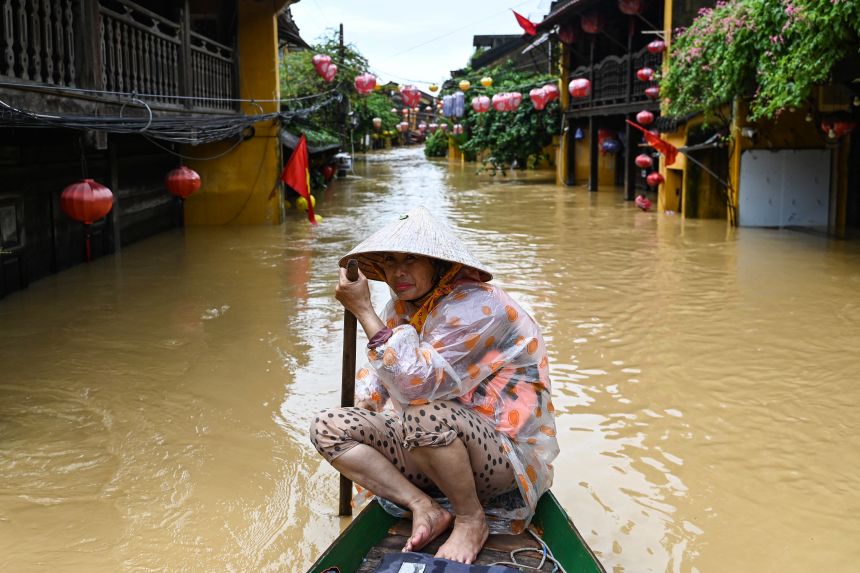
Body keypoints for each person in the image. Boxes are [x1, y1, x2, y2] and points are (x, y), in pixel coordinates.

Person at [309, 207, 559, 564]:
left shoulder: (479, 305)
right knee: (328, 427)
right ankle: (423, 506)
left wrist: (363, 311)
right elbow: (379, 379)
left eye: (411, 259)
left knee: (422, 413)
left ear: (438, 264)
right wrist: (363, 412)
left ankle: (471, 518)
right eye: (390, 261)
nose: (398, 272)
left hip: (502, 455)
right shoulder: (403, 306)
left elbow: (415, 385)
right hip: (433, 441)